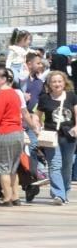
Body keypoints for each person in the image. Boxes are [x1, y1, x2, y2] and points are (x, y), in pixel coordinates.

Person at [0, 67, 28, 207]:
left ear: (3, 79)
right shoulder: (15, 93)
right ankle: (15, 196)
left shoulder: (1, 94)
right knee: (13, 167)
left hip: (4, 133)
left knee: (3, 167)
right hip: (17, 132)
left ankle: (7, 198)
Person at [38, 69, 77, 204]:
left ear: (64, 83)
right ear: (49, 84)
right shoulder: (44, 98)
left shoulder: (71, 96)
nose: (57, 84)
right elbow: (36, 116)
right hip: (51, 135)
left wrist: (76, 127)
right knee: (55, 164)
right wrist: (37, 129)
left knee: (67, 165)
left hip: (69, 135)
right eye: (54, 81)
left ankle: (65, 190)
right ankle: (58, 194)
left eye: (59, 81)